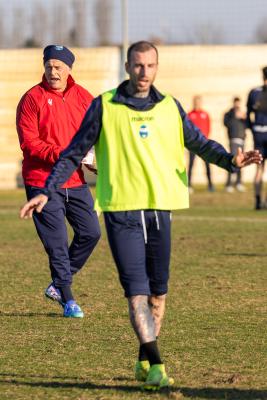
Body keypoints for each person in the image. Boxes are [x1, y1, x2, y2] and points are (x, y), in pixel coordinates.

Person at [20, 41, 262, 390]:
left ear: (156, 67)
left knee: (158, 294)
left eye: (150, 65)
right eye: (137, 65)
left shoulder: (169, 107)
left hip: (160, 208)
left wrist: (230, 160)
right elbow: (73, 153)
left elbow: (197, 142)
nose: (143, 72)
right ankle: (157, 364)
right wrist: (46, 189)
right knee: (136, 291)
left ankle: (144, 357)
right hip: (122, 210)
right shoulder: (104, 106)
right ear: (127, 66)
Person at [16, 45, 101, 318]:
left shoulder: (84, 97)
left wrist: (96, 159)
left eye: (59, 67)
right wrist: (63, 154)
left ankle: (57, 284)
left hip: (75, 180)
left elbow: (97, 133)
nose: (53, 71)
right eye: (49, 66)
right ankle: (67, 298)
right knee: (57, 244)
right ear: (44, 67)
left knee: (91, 232)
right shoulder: (32, 98)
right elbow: (29, 143)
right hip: (41, 181)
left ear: (69, 69)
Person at [247, 66, 267, 209]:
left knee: (259, 169)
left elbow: (248, 114)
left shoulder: (254, 93)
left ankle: (258, 201)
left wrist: (252, 128)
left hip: (258, 134)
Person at [187, 95, 214, 192]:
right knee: (191, 165)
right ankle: (188, 185)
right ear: (193, 103)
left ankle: (210, 185)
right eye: (195, 102)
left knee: (207, 164)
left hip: (203, 144)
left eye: (199, 102)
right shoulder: (189, 115)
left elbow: (208, 127)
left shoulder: (205, 114)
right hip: (193, 144)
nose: (197, 104)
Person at [224, 97, 247, 193]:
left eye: (238, 103)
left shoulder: (242, 114)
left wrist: (245, 118)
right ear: (233, 103)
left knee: (241, 162)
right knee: (232, 161)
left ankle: (238, 183)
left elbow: (247, 125)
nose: (237, 105)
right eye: (236, 103)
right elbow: (226, 123)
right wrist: (234, 116)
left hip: (241, 140)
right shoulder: (229, 114)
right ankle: (229, 184)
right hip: (233, 140)